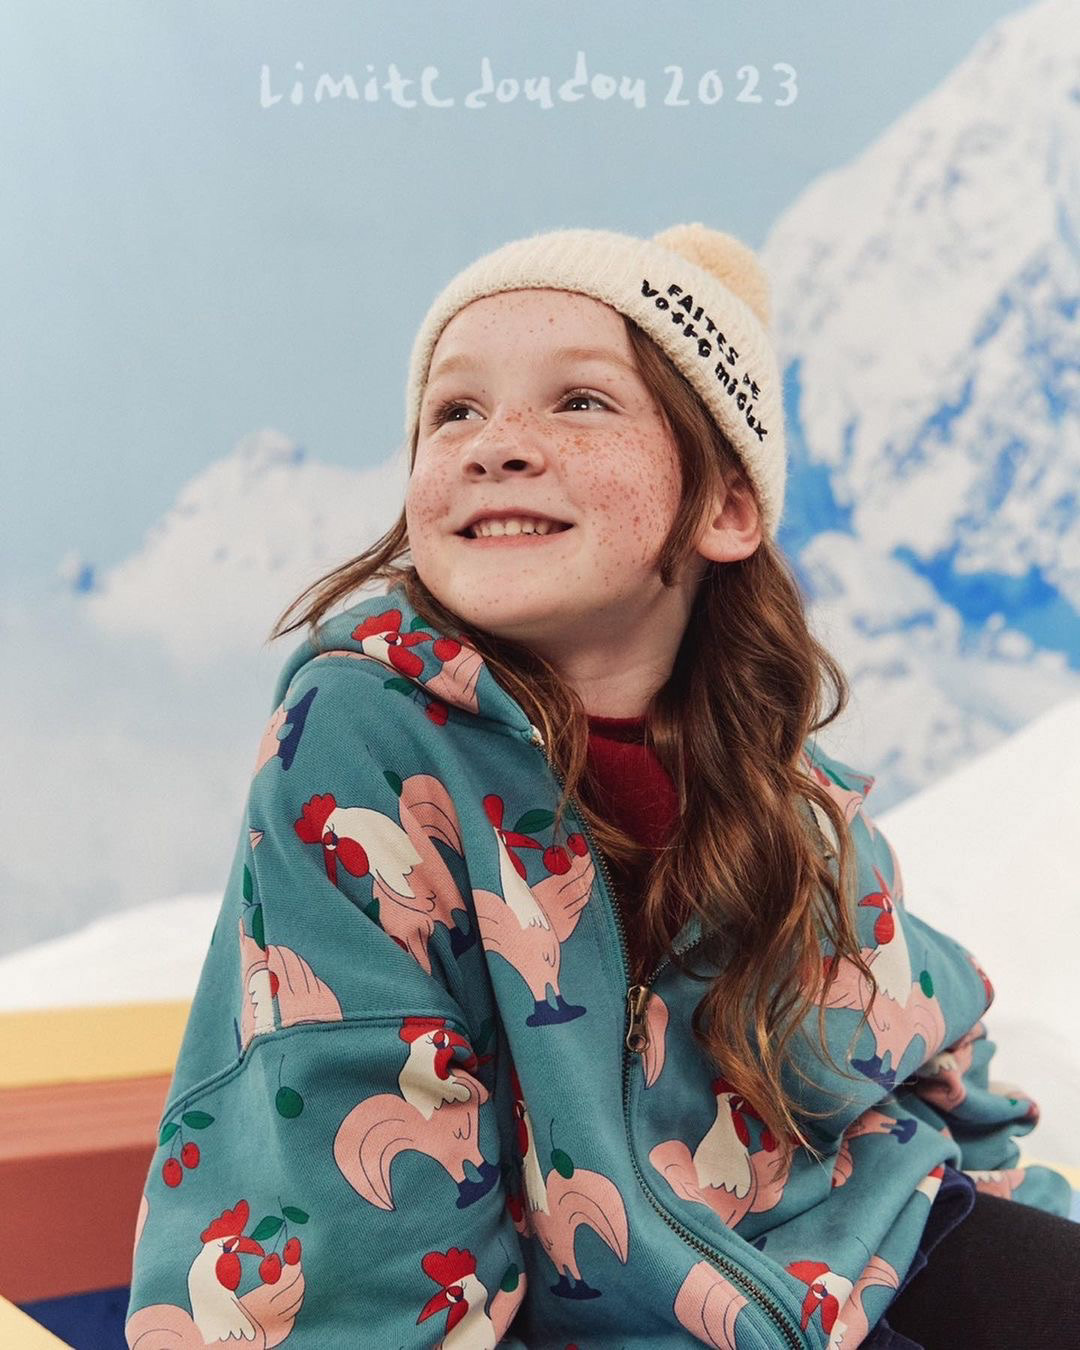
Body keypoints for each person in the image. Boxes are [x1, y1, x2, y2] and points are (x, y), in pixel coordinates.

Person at [125, 224, 1078, 1350]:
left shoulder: (778, 784)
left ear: (725, 506)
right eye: (455, 411)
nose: (498, 445)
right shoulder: (365, 743)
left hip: (847, 1259)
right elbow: (358, 1203)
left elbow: (918, 1049)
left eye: (579, 401)